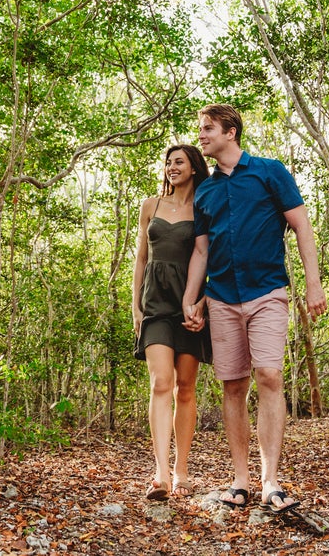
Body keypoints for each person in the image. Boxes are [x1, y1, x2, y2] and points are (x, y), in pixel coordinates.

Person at [181, 103, 327, 513]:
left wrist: (312, 285)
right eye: (200, 129)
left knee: (269, 375)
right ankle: (241, 481)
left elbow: (301, 225)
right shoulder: (205, 190)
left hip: (267, 292)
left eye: (208, 128)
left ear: (231, 132)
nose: (202, 135)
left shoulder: (269, 171)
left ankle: (271, 482)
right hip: (223, 298)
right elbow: (201, 251)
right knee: (232, 386)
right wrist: (192, 299)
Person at [132, 144, 214, 501]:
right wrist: (135, 307)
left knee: (185, 388)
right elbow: (140, 258)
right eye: (167, 162)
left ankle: (182, 469)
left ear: (194, 167)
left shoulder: (205, 209)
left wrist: (202, 306)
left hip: (190, 306)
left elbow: (212, 259)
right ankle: (161, 473)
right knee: (160, 383)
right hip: (154, 305)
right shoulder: (150, 206)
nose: (171, 167)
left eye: (178, 162)